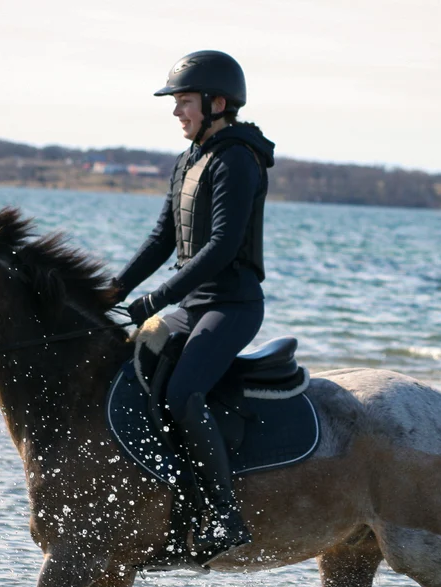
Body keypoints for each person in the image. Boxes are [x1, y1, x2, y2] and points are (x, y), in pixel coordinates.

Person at [111, 50, 276, 561]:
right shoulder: (188, 160)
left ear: (217, 103)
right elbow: (163, 237)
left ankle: (225, 515)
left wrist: (157, 298)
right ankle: (169, 496)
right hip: (192, 304)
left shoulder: (236, 159)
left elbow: (224, 245)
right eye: (176, 102)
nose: (177, 112)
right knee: (127, 368)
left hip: (233, 305)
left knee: (184, 393)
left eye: (185, 102)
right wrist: (113, 291)